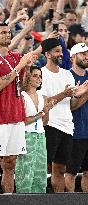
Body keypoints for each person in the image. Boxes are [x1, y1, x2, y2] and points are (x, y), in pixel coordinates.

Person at [0, 22, 37, 194]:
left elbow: (23, 86)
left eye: (9, 32)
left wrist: (26, 67)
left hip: (16, 115)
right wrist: (20, 66)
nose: (7, 35)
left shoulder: (16, 57)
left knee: (11, 163)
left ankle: (8, 199)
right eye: (3, 32)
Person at [39, 38, 88, 192]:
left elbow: (71, 105)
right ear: (47, 54)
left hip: (67, 127)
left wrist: (80, 95)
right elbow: (44, 104)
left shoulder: (67, 75)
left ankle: (61, 200)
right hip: (50, 125)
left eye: (61, 51)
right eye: (57, 51)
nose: (61, 54)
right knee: (45, 168)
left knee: (61, 169)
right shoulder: (41, 73)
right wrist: (64, 94)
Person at [15, 65, 56, 193]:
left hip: (41, 136)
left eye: (40, 76)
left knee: (40, 173)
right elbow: (23, 121)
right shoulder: (21, 95)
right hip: (26, 136)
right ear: (28, 77)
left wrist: (47, 111)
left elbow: (45, 122)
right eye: (35, 76)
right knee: (25, 171)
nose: (39, 79)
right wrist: (41, 113)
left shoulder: (42, 96)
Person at [65, 43, 88, 192]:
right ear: (73, 56)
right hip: (74, 132)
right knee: (70, 172)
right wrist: (85, 93)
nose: (86, 56)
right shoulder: (66, 77)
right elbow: (70, 107)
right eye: (82, 53)